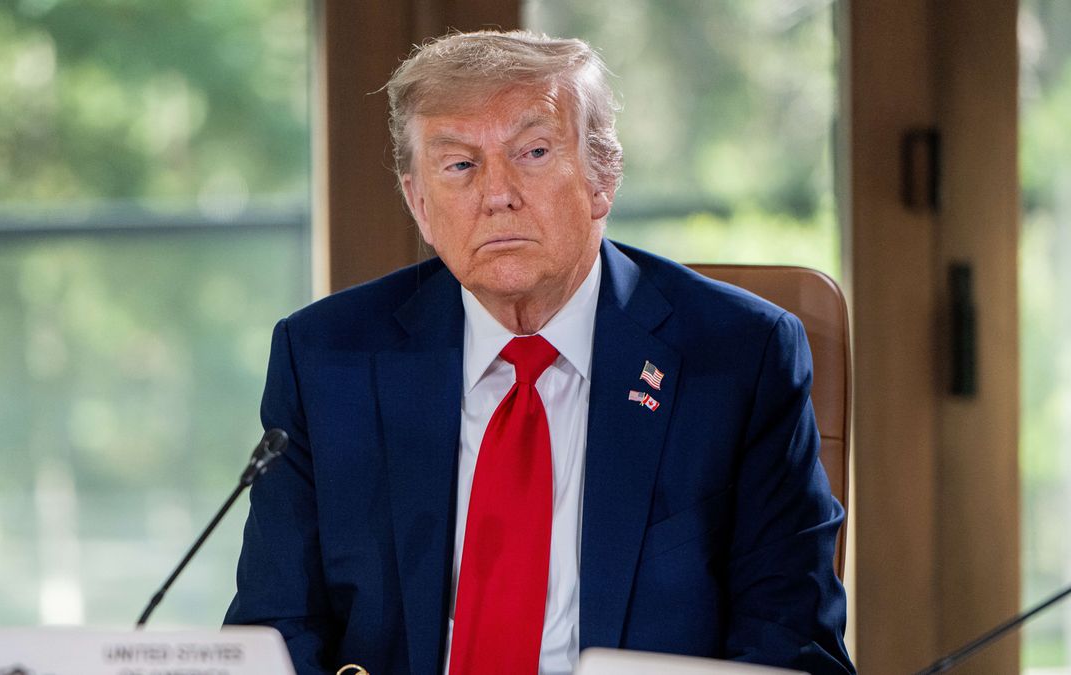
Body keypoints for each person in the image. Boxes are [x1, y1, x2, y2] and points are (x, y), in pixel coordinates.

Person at [225, 30, 854, 675]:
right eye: (460, 165)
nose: (497, 194)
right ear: (418, 202)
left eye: (532, 152)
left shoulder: (739, 358)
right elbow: (276, 633)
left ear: (601, 177)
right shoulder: (327, 360)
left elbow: (792, 643)